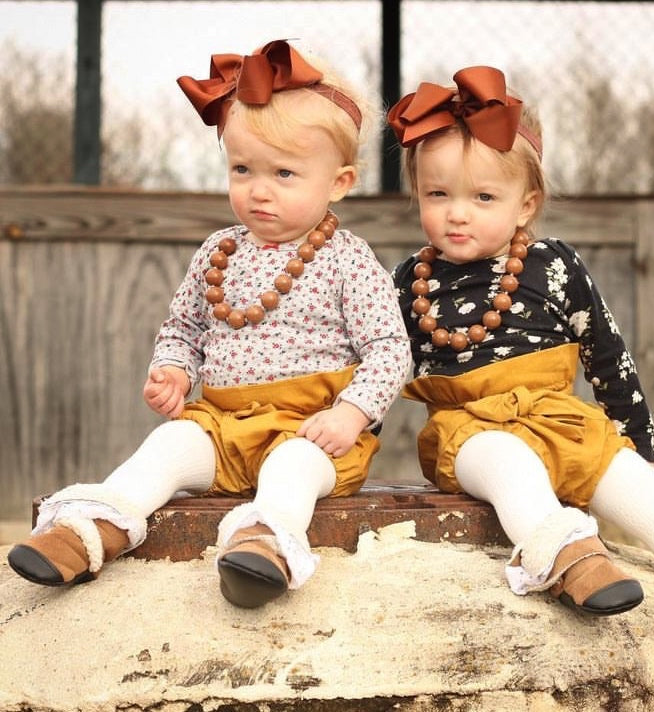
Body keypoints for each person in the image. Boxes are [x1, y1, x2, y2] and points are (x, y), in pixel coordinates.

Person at [387, 65, 654, 646]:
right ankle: (566, 554)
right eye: (437, 194)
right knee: (507, 463)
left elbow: (607, 353)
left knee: (635, 486)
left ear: (525, 205)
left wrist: (634, 443)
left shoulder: (555, 264)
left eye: (483, 196)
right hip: (470, 433)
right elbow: (381, 366)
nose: (457, 212)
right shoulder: (408, 280)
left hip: (562, 419)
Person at [7, 39, 411, 609]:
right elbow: (184, 326)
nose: (258, 189)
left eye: (285, 173)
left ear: (339, 182)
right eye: (242, 168)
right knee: (166, 446)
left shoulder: (348, 258)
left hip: (310, 431)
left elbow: (391, 349)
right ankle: (93, 529)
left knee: (291, 472)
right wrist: (172, 367)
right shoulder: (219, 250)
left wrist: (351, 413)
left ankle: (264, 545)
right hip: (222, 425)